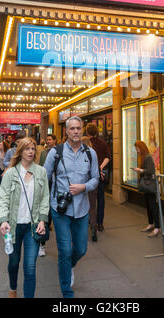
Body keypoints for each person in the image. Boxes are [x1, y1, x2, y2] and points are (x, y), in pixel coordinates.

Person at [45, 116, 99, 298]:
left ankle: (70, 265)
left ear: (82, 130)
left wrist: (84, 187)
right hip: (60, 209)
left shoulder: (90, 153)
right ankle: (67, 292)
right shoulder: (55, 153)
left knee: (81, 249)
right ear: (66, 131)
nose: (75, 131)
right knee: (65, 250)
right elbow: (43, 178)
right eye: (72, 128)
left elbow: (96, 179)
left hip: (82, 209)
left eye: (78, 128)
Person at [0, 137, 49, 298]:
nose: (31, 152)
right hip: (13, 226)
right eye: (27, 149)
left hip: (32, 227)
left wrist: (42, 219)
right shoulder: (11, 173)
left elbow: (45, 198)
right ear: (20, 151)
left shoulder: (41, 172)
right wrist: (3, 220)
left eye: (33, 149)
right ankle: (13, 288)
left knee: (30, 267)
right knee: (13, 262)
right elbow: (3, 198)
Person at [85, 122, 110, 234]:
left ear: (87, 132)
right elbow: (108, 157)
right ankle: (100, 223)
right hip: (101, 175)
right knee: (101, 199)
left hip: (89, 176)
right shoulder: (103, 143)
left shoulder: (86, 143)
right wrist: (101, 167)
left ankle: (91, 221)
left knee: (90, 200)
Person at [133, 141, 160, 237]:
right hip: (146, 185)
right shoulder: (143, 157)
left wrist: (139, 170)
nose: (137, 151)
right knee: (149, 206)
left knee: (153, 206)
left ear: (141, 148)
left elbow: (150, 170)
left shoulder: (148, 157)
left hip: (150, 185)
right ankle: (151, 224)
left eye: (137, 149)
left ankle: (157, 227)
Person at [38, 134, 57, 257]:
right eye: (47, 139)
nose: (48, 141)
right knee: (47, 214)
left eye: (50, 139)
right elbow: (40, 167)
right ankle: (42, 244)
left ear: (54, 141)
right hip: (47, 185)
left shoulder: (59, 152)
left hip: (58, 187)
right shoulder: (44, 153)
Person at [82, 135, 97, 242]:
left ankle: (80, 232)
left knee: (81, 207)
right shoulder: (93, 153)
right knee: (92, 207)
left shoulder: (80, 154)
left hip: (82, 185)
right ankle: (93, 230)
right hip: (92, 184)